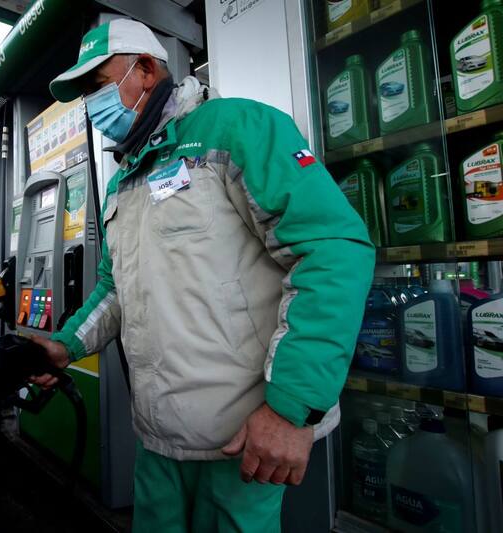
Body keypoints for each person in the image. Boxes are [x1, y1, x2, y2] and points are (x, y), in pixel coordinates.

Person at [29, 18, 375, 532]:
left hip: (243, 445)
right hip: (158, 442)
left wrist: (290, 409)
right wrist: (65, 346)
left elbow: (331, 252)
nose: (91, 106)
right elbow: (115, 288)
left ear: (146, 70)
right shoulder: (124, 180)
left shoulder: (237, 128)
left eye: (97, 86)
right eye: (84, 96)